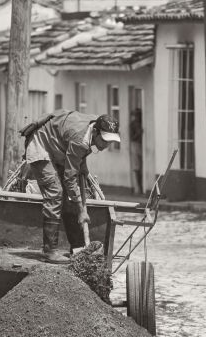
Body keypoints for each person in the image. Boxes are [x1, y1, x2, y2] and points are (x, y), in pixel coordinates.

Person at [19, 109, 120, 264]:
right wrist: (81, 210)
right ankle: (49, 251)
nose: (107, 145)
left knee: (69, 197)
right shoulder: (80, 139)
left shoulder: (93, 125)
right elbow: (70, 177)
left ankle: (78, 250)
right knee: (55, 193)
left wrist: (83, 166)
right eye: (105, 140)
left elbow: (78, 152)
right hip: (41, 145)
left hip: (59, 147)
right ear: (95, 132)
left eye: (110, 141)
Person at [129, 109, 143, 194]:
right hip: (135, 144)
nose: (137, 117)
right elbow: (132, 137)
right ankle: (138, 188)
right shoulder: (133, 124)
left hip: (140, 145)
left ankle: (140, 187)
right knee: (137, 167)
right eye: (136, 115)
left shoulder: (141, 122)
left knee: (140, 167)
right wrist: (138, 134)